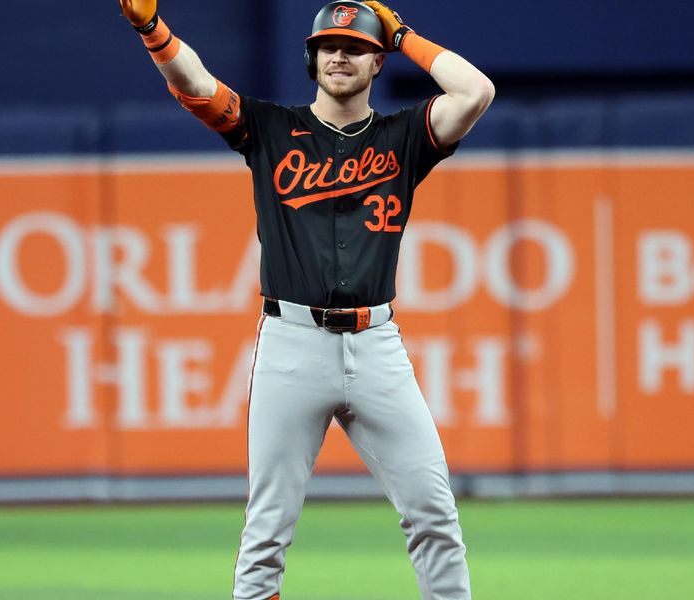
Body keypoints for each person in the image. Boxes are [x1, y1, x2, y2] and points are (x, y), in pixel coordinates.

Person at [118, 1, 495, 598]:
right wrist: (151, 30)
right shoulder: (266, 128)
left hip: (377, 346)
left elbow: (475, 91)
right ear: (311, 57)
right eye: (327, 46)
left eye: (356, 48)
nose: (338, 55)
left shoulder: (402, 138)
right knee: (266, 530)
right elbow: (192, 82)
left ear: (378, 63)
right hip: (292, 343)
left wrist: (405, 36)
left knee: (435, 516)